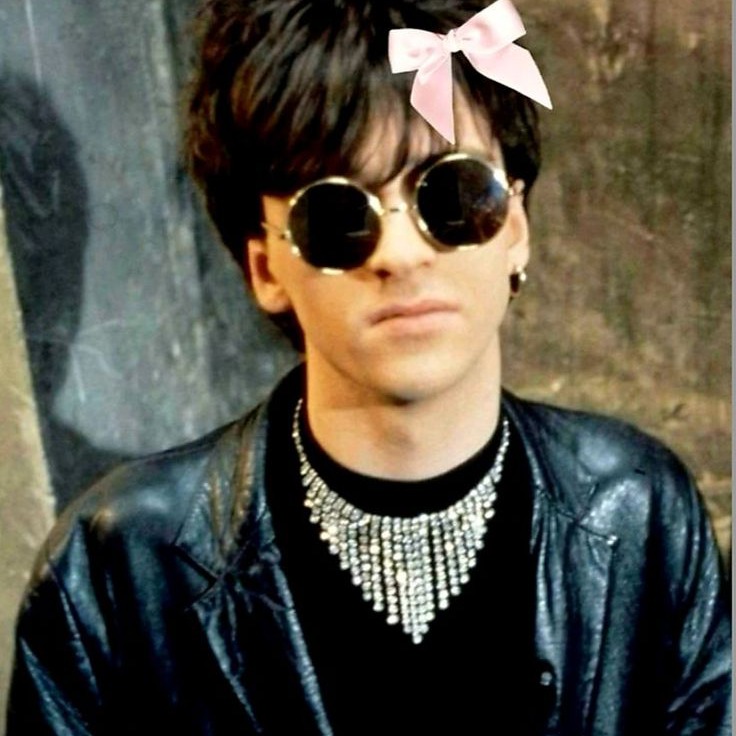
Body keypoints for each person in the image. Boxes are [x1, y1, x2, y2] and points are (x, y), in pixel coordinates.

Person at [6, 0, 730, 734]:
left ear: (515, 228)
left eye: (452, 194)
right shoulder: (121, 565)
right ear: (266, 268)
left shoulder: (640, 510)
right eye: (337, 217)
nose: (400, 254)